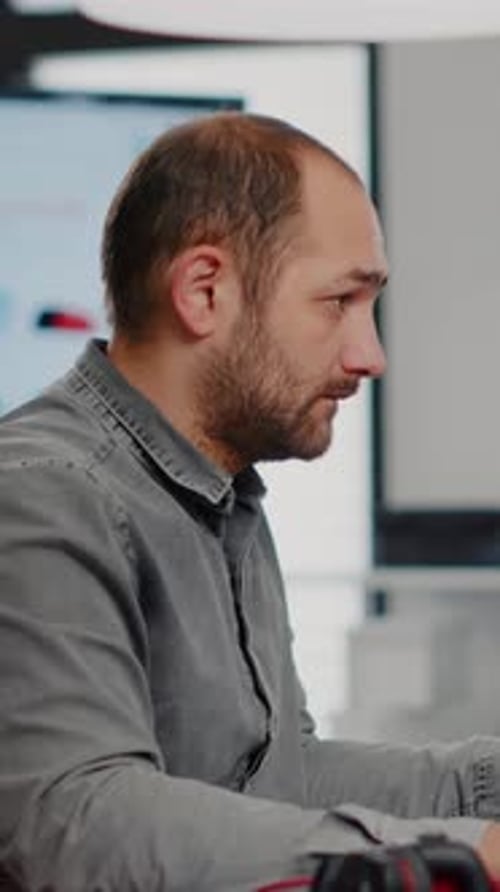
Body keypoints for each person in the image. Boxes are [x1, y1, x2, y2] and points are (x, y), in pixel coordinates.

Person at [0, 112, 499, 892]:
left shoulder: (220, 492)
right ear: (203, 292)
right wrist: (452, 854)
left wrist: (484, 794)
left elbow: (274, 781)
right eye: (339, 303)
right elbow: (79, 822)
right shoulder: (42, 495)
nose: (370, 355)